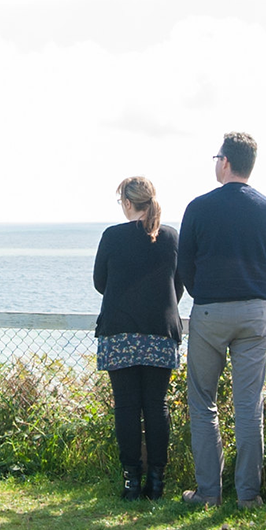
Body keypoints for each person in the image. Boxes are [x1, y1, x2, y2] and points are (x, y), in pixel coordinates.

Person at [177, 132, 266, 509]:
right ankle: (249, 496)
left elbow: (184, 268)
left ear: (225, 162)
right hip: (256, 313)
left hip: (211, 313)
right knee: (248, 406)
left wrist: (204, 298)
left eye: (216, 157)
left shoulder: (198, 207)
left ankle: (209, 493)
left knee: (203, 403)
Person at [93, 176, 184, 501]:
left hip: (120, 331)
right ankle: (157, 482)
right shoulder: (172, 236)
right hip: (161, 330)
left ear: (128, 203)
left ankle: (132, 481)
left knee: (127, 407)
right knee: (156, 406)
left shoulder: (112, 236)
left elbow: (100, 282)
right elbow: (179, 285)